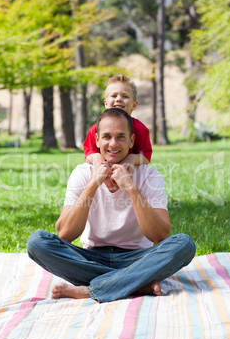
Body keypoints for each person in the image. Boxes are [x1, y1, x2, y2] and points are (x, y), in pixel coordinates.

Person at [27, 108, 196, 303]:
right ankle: (136, 283)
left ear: (131, 141)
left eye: (121, 137)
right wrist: (92, 184)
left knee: (184, 244)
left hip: (138, 258)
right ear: (97, 139)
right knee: (37, 242)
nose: (113, 144)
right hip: (90, 257)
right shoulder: (82, 173)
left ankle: (91, 289)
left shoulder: (150, 176)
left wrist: (131, 187)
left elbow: (160, 236)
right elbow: (65, 233)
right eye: (107, 136)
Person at [84, 74, 152, 166]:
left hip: (131, 173)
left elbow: (146, 156)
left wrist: (132, 158)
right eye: (114, 95)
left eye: (125, 96)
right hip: (103, 173)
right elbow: (88, 154)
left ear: (134, 105)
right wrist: (96, 157)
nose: (119, 99)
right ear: (106, 103)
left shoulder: (140, 129)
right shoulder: (96, 128)